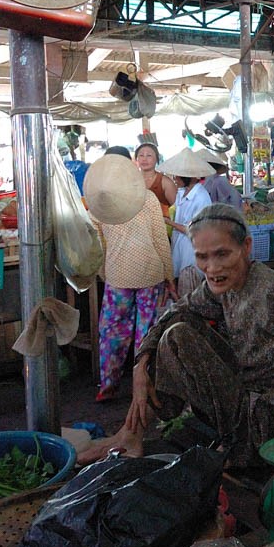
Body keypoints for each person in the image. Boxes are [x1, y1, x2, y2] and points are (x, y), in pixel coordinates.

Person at [80, 203, 274, 467]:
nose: (212, 268)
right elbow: (179, 310)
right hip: (248, 401)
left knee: (178, 337)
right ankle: (131, 433)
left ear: (246, 247)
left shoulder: (272, 293)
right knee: (176, 330)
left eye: (222, 254)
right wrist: (141, 363)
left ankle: (231, 446)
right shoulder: (224, 285)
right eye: (202, 257)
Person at [87, 152, 172, 402]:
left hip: (117, 276)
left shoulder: (98, 202)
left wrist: (105, 272)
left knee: (112, 332)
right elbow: (160, 240)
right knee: (147, 333)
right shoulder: (147, 198)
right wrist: (169, 275)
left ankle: (108, 386)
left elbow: (97, 245)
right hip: (151, 273)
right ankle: (143, 389)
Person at [161, 148, 216, 281]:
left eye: (178, 175)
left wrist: (169, 222)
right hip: (180, 247)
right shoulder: (182, 192)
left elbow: (194, 230)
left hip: (191, 251)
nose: (175, 178)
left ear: (188, 177)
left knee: (189, 283)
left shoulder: (201, 197)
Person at [134, 142, 177, 209]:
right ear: (136, 159)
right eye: (141, 155)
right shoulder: (130, 179)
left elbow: (177, 209)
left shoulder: (165, 183)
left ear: (157, 159)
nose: (144, 159)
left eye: (149, 155)